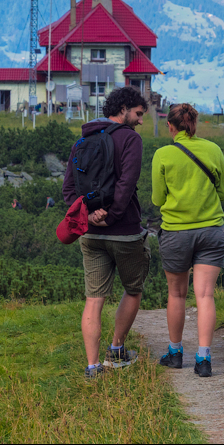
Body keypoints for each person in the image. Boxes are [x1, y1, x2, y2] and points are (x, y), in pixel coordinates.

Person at [62, 86, 150, 380]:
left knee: (93, 300)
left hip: (90, 234)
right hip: (124, 231)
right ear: (124, 108)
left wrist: (89, 215)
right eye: (138, 114)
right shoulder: (131, 140)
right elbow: (126, 185)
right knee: (133, 289)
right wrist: (111, 216)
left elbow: (69, 191)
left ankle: (92, 367)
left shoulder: (83, 140)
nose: (140, 121)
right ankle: (117, 350)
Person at [152, 103, 224, 378]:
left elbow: (157, 199)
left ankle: (175, 354)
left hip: (175, 232)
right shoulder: (214, 150)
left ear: (171, 127)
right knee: (205, 295)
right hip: (211, 231)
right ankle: (204, 358)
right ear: (195, 125)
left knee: (177, 294)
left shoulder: (162, 155)